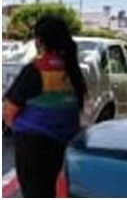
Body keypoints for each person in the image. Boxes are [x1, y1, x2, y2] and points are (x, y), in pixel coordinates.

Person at [3, 16, 88, 198]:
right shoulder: (72, 70)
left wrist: (15, 127)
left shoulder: (35, 70)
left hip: (33, 148)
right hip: (63, 146)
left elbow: (9, 109)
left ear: (40, 41)